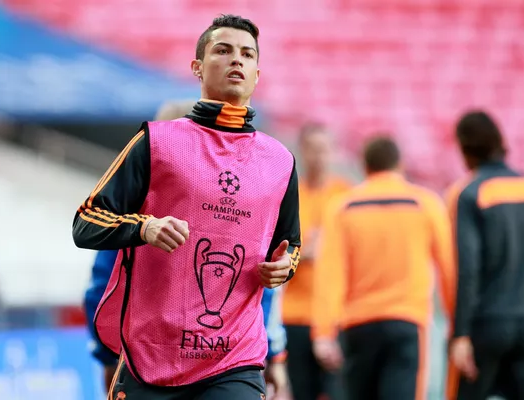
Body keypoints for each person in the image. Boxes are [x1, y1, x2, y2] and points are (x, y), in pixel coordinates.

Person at [72, 14, 301, 400]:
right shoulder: (156, 142)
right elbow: (85, 221)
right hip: (150, 359)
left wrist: (284, 267)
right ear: (197, 67)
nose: (237, 60)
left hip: (234, 360)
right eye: (223, 50)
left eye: (247, 54)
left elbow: (289, 244)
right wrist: (144, 227)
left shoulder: (280, 162)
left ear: (257, 74)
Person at [312, 136, 456, 400]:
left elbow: (330, 274)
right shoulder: (425, 203)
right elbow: (448, 268)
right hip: (407, 321)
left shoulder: (343, 207)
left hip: (358, 324)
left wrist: (323, 332)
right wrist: (457, 323)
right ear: (400, 165)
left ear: (365, 167)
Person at [445, 111, 524, 400]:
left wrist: (461, 334)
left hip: (488, 324)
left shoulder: (472, 193)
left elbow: (469, 269)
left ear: (465, 149)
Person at [84, 250, 289, 397]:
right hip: (228, 361)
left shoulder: (141, 207)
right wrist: (274, 353)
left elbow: (102, 287)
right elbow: (265, 285)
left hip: (150, 361)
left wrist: (108, 355)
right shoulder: (250, 209)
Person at [280, 123, 350, 400]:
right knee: (301, 391)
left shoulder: (345, 195)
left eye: (324, 149)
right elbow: (278, 249)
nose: (318, 156)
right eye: (312, 149)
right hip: (295, 313)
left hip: (335, 315)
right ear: (302, 151)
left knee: (338, 391)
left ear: (333, 152)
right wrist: (308, 250)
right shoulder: (290, 195)